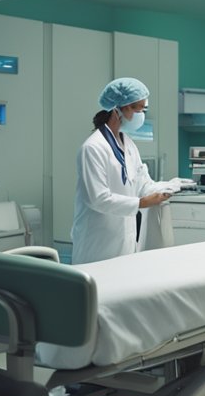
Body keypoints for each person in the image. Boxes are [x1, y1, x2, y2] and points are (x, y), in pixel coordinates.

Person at [72, 77, 172, 265]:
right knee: (98, 291)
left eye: (143, 109)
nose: (141, 114)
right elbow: (98, 199)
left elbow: (143, 183)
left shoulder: (129, 144)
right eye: (137, 109)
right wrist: (141, 203)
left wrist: (172, 186)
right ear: (117, 109)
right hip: (97, 242)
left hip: (124, 239)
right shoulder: (93, 148)